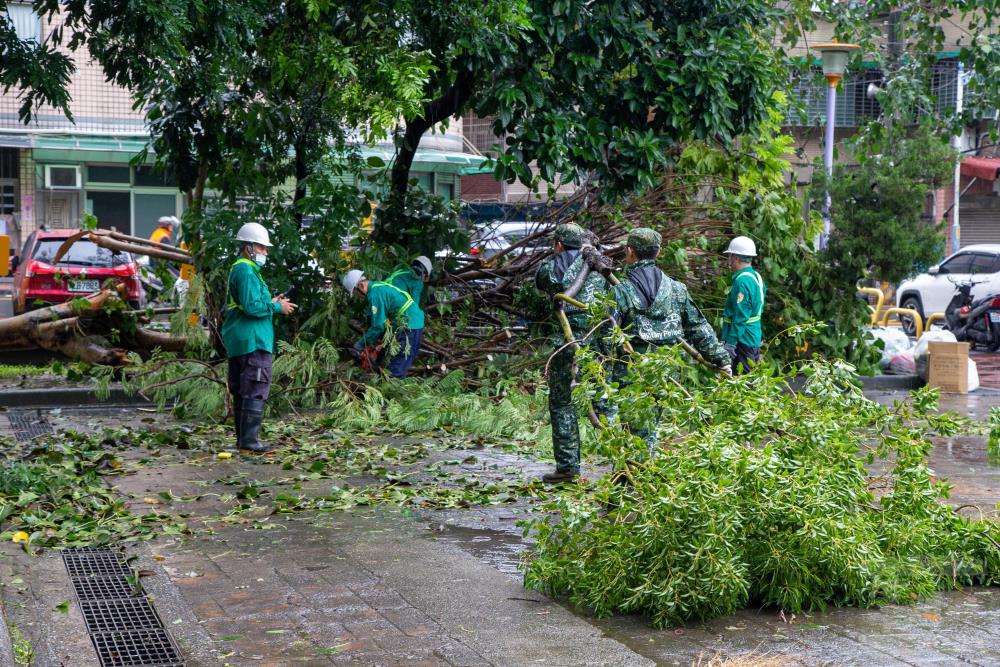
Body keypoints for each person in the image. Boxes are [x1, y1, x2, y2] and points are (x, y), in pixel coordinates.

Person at [611, 227, 731, 445]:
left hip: (630, 370)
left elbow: (607, 335)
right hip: (665, 371)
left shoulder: (620, 291)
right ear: (658, 252)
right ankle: (639, 469)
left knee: (633, 425)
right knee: (650, 422)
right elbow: (698, 327)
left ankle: (639, 471)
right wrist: (721, 358)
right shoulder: (676, 289)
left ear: (629, 251)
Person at [535, 223, 610, 484]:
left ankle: (567, 468)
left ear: (558, 245)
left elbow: (541, 282)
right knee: (605, 402)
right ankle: (626, 462)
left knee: (562, 403)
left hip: (568, 343)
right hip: (600, 343)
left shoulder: (553, 268)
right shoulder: (600, 265)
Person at [221, 222, 297, 453]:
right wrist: (277, 308)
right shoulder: (245, 270)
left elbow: (250, 303)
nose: (266, 252)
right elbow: (252, 308)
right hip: (252, 339)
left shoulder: (243, 269)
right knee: (255, 386)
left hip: (242, 338)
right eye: (262, 248)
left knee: (243, 388)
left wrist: (272, 303)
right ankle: (249, 442)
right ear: (249, 247)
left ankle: (244, 441)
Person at [342, 269, 425, 378]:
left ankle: (390, 390)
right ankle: (384, 382)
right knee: (390, 360)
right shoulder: (378, 286)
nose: (358, 296)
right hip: (408, 322)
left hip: (411, 324)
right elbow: (384, 322)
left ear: (361, 286)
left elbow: (378, 326)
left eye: (356, 292)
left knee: (398, 367)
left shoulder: (374, 294)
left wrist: (360, 344)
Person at [721, 236, 766, 373]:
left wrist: (731, 343)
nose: (729, 261)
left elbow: (741, 316)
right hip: (752, 335)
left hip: (742, 339)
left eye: (730, 256)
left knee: (742, 381)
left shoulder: (743, 282)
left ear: (736, 258)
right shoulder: (756, 277)